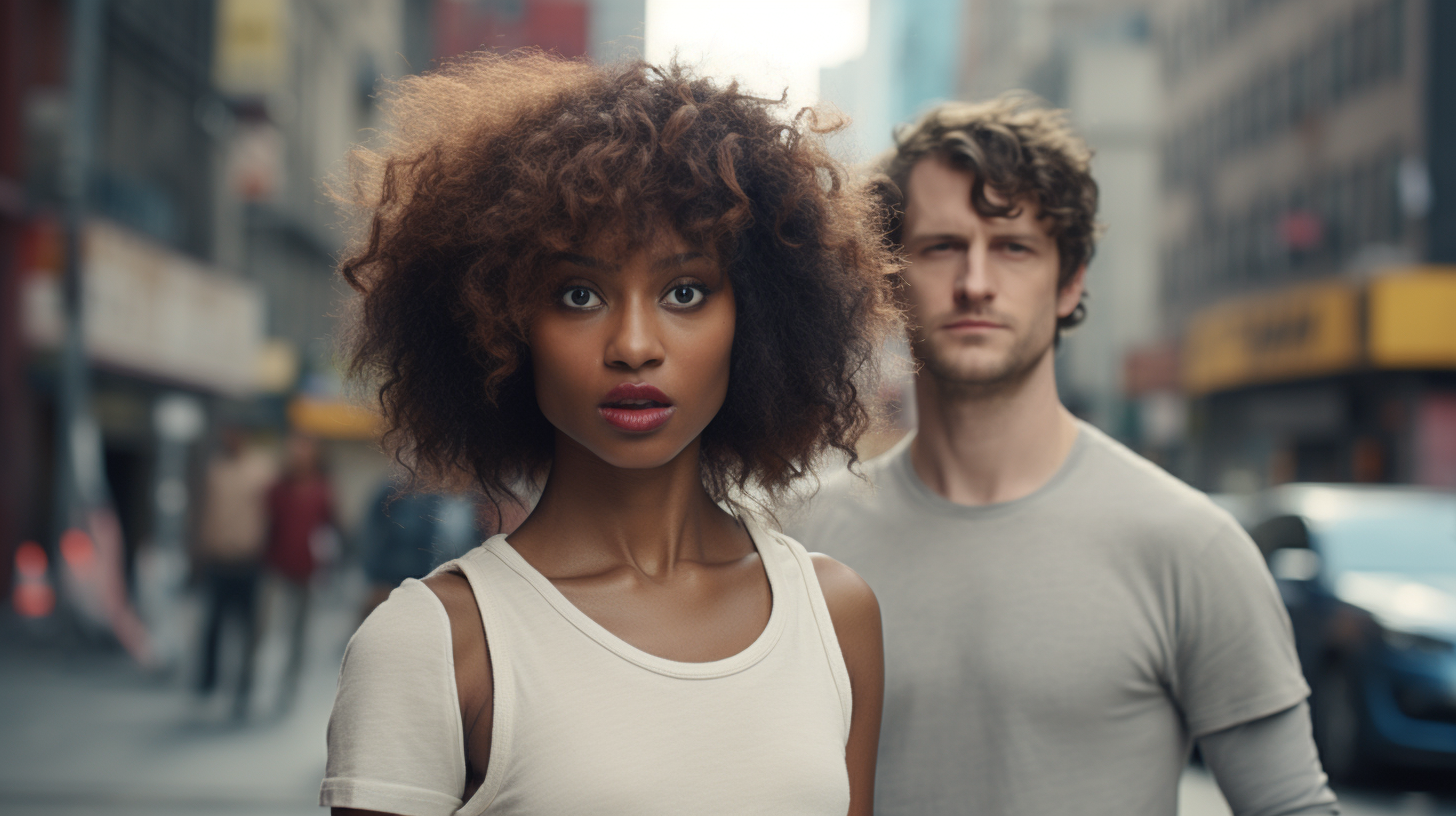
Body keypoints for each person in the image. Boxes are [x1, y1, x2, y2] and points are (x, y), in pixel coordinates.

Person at [321, 52, 896, 816]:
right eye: (580, 292)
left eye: (684, 291)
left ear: (755, 321)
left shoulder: (836, 616)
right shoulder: (438, 646)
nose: (633, 344)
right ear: (503, 319)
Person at [788, 95, 1339, 815]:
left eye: (1014, 247)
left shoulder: (1189, 545)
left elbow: (1291, 805)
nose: (976, 281)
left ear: (1070, 280)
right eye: (942, 246)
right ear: (891, 276)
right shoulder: (800, 542)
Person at [193, 426, 276, 718]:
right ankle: (207, 685)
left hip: (249, 560)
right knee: (213, 627)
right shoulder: (215, 470)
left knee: (248, 629)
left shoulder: (261, 470)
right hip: (218, 559)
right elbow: (205, 512)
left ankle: (244, 688)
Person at [264, 431, 337, 714]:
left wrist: (328, 565)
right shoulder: (278, 489)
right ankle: (265, 680)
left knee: (299, 632)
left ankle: (289, 685)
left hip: (308, 571)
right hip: (277, 569)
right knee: (273, 628)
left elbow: (330, 530)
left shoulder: (322, 489)